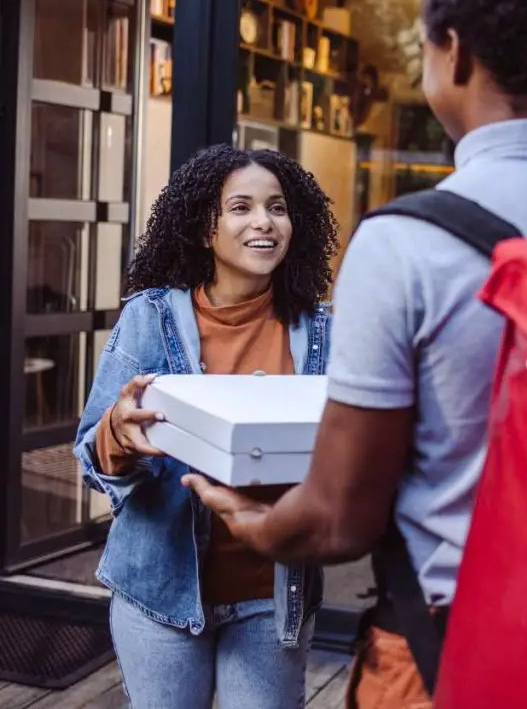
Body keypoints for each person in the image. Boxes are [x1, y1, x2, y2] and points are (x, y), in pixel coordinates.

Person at [183, 0, 527, 706]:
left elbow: (340, 516)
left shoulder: (406, 243)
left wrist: (255, 525)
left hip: (449, 651)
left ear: (453, 52)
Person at [73, 144, 337, 708]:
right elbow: (91, 458)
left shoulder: (322, 334)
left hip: (272, 596)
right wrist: (119, 435)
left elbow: (344, 459)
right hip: (159, 593)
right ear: (203, 228)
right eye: (240, 207)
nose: (263, 222)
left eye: (277, 208)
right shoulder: (151, 318)